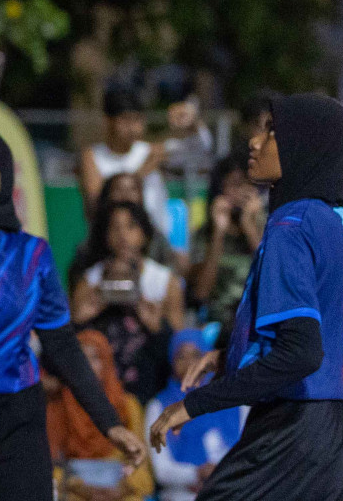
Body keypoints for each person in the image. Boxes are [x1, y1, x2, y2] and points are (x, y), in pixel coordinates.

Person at [149, 93, 343, 501]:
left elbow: (303, 353)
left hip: (289, 432)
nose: (255, 141)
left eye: (271, 131)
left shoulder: (288, 228)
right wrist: (237, 353)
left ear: (305, 147)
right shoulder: (327, 225)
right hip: (330, 439)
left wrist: (194, 404)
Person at [0, 126, 146, 501]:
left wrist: (109, 422)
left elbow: (61, 344)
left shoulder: (32, 254)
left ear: (5, 177)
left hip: (14, 414)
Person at [71, 200, 185, 403]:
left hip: (150, 390)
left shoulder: (165, 281)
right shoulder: (90, 282)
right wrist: (79, 319)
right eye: (114, 227)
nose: (122, 235)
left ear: (144, 233)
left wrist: (156, 326)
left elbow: (180, 345)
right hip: (101, 391)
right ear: (105, 236)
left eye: (131, 226)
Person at [46, 330, 155, 501]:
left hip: (120, 491)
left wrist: (121, 488)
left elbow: (143, 471)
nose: (87, 365)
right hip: (74, 491)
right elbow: (50, 466)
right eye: (81, 358)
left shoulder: (127, 405)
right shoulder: (59, 405)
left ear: (106, 362)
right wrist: (80, 487)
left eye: (95, 358)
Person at [143, 330, 243, 501]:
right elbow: (162, 469)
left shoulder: (234, 401)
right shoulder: (159, 406)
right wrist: (197, 473)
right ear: (171, 361)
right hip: (184, 494)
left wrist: (222, 474)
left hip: (233, 490)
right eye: (181, 357)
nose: (189, 362)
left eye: (196, 355)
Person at [187, 152, 266, 328]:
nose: (240, 192)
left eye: (246, 184)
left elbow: (272, 274)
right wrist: (218, 234)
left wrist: (250, 227)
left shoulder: (267, 227)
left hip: (258, 319)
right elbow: (201, 293)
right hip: (218, 324)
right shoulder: (204, 234)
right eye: (234, 185)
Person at [80, 87, 170, 236]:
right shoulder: (92, 156)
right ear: (108, 121)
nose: (132, 128)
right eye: (125, 120)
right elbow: (95, 207)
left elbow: (199, 148)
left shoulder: (151, 151)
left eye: (137, 120)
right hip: (111, 243)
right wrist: (140, 174)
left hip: (155, 238)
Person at [70, 173, 179, 284]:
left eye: (132, 189)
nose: (125, 195)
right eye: (118, 189)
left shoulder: (158, 243)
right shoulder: (89, 249)